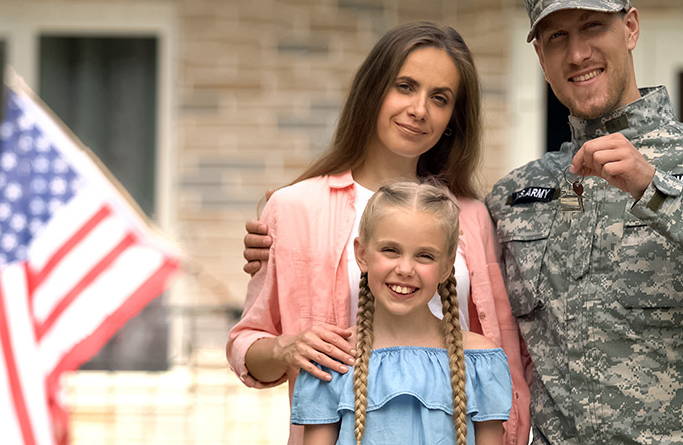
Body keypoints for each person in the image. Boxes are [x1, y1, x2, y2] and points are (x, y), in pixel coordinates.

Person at [246, 0, 683, 442]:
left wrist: (655, 189)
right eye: (556, 37)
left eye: (594, 26)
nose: (578, 51)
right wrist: (286, 234)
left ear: (632, 27)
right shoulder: (515, 197)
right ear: (540, 55)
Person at [227, 22, 530, 445]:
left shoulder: (473, 217)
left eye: (439, 98)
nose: (420, 109)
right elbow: (246, 343)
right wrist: (285, 349)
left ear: (452, 119)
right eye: (405, 86)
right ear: (373, 91)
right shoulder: (294, 209)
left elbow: (498, 352)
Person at [291, 181, 512, 445]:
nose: (405, 269)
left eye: (425, 256)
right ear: (362, 254)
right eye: (390, 250)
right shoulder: (335, 359)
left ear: (446, 267)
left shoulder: (480, 361)